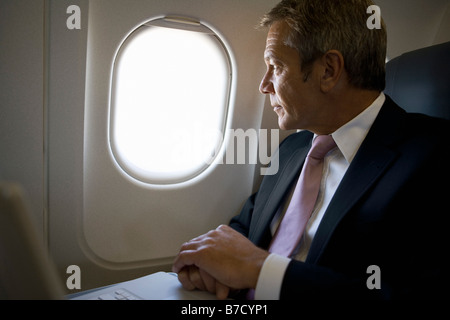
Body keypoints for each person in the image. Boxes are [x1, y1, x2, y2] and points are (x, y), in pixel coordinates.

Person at [172, 0, 450, 299]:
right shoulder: (293, 148)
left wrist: (261, 269)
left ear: (328, 71)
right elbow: (248, 226)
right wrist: (210, 260)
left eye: (275, 66)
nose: (264, 85)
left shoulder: (435, 157)